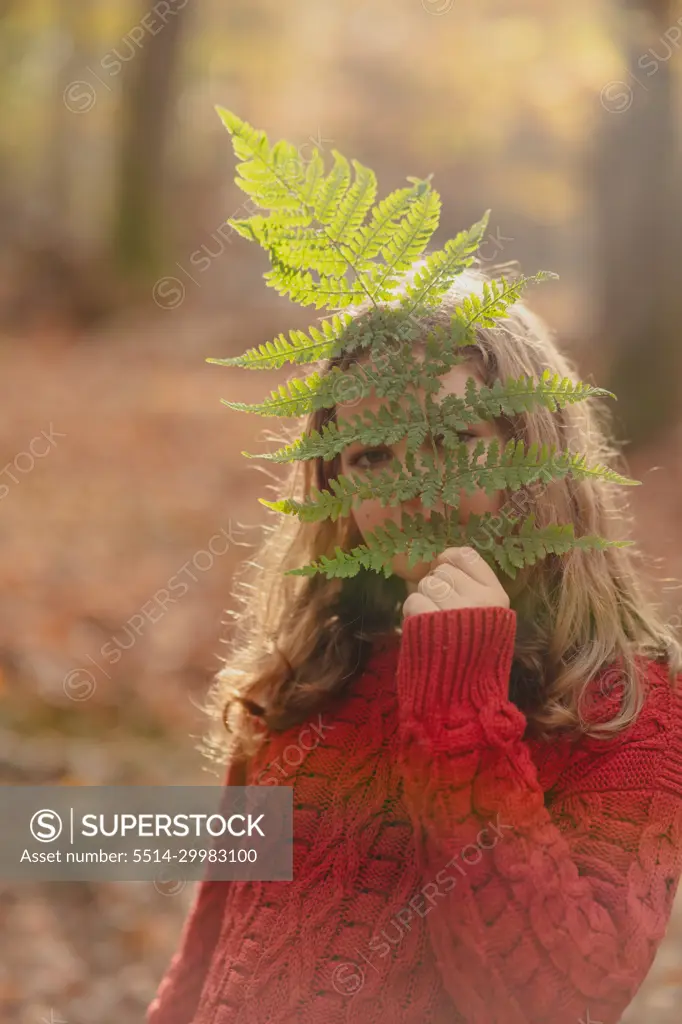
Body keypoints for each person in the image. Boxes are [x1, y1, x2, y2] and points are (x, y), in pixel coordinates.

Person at [146, 263, 682, 1023]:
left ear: (536, 448)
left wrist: (460, 709)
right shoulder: (313, 671)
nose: (414, 494)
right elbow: (213, 950)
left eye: (454, 439)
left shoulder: (625, 707)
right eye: (371, 457)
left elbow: (560, 1000)